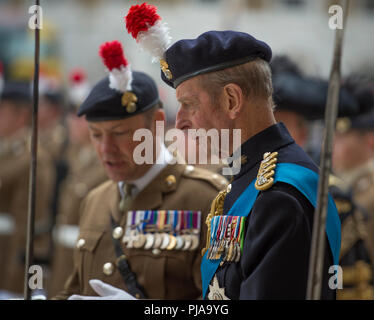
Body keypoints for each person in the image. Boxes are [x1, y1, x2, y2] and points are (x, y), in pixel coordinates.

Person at [125, 3, 341, 299]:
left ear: (231, 100)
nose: (181, 122)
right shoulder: (252, 178)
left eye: (189, 104)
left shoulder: (279, 196)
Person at [53, 40, 227, 300]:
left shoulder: (208, 200)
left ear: (157, 125)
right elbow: (75, 288)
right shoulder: (95, 200)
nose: (105, 149)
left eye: (120, 134)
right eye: (96, 135)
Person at [270, 56, 374, 299]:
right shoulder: (228, 188)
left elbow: (347, 288)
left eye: (279, 124)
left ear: (302, 133)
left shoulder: (327, 198)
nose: (266, 134)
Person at [47, 69, 107, 298]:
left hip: (84, 262)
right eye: (71, 115)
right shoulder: (74, 158)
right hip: (62, 258)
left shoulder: (103, 165)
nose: (71, 122)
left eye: (78, 116)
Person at [0, 81, 55, 298]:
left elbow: (33, 226)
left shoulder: (33, 158)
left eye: (2, 110)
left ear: (21, 115)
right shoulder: (6, 150)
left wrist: (20, 280)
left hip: (9, 268)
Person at [333, 78, 374, 267]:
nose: (330, 144)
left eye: (341, 137)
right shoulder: (340, 186)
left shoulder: (369, 193)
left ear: (370, 141)